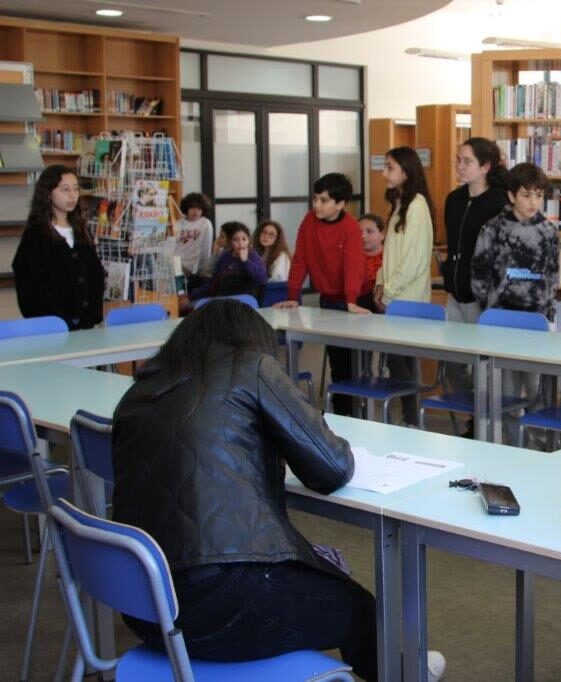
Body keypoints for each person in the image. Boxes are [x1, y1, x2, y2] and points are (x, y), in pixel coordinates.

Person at [110, 300, 376, 677]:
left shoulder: (135, 394)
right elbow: (333, 467)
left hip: (146, 610)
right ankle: (407, 667)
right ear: (251, 339)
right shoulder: (251, 366)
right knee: (361, 610)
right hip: (224, 600)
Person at [470, 162, 559, 443]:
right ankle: (512, 442)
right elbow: (480, 273)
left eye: (538, 195)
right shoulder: (492, 229)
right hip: (501, 322)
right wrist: (493, 305)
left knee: (535, 388)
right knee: (506, 390)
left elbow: (553, 276)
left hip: (536, 322)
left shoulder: (547, 231)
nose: (533, 202)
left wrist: (544, 306)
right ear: (511, 196)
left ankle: (537, 442)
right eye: (526, 195)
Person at [274, 173, 368, 416]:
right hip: (327, 300)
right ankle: (340, 412)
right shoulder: (309, 221)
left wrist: (350, 299)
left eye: (324, 200)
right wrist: (293, 295)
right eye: (315, 198)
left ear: (340, 204)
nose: (317, 205)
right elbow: (300, 259)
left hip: (352, 301)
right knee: (338, 362)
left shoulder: (350, 229)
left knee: (350, 363)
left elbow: (353, 266)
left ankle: (352, 412)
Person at [442, 137, 509, 436]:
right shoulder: (454, 199)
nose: (460, 166)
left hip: (482, 298)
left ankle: (485, 424)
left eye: (467, 161)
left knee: (483, 366)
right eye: (457, 160)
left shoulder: (498, 202)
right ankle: (474, 413)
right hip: (454, 292)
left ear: (485, 166)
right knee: (453, 361)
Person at [376, 146, 435, 426]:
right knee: (396, 363)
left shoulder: (418, 206)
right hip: (394, 298)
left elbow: (414, 260)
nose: (384, 172)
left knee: (403, 365)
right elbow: (390, 253)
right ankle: (408, 419)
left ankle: (411, 421)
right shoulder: (399, 203)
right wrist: (379, 282)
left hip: (407, 300)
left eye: (389, 167)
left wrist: (388, 292)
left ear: (406, 171)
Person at [13, 164, 105, 330]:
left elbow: (95, 274)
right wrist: (60, 322)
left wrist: (91, 315)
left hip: (85, 324)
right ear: (48, 193)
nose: (72, 195)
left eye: (76, 189)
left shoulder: (81, 231)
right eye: (65, 189)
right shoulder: (36, 235)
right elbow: (32, 286)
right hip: (51, 327)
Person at [187, 222, 267, 304]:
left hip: (246, 301)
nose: (240, 243)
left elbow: (262, 278)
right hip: (223, 300)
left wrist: (246, 261)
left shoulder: (253, 255)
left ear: (248, 240)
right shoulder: (225, 257)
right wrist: (191, 296)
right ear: (230, 242)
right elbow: (213, 283)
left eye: (244, 239)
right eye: (235, 240)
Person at [172, 192, 213, 282]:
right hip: (176, 264)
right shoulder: (179, 224)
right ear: (187, 208)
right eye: (192, 207)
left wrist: (203, 269)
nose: (195, 211)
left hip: (193, 268)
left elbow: (206, 249)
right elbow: (173, 246)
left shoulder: (206, 224)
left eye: (199, 208)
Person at [357, 213, 386, 312]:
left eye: (369, 231)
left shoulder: (391, 256)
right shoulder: (353, 257)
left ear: (382, 234)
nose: (363, 236)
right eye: (359, 232)